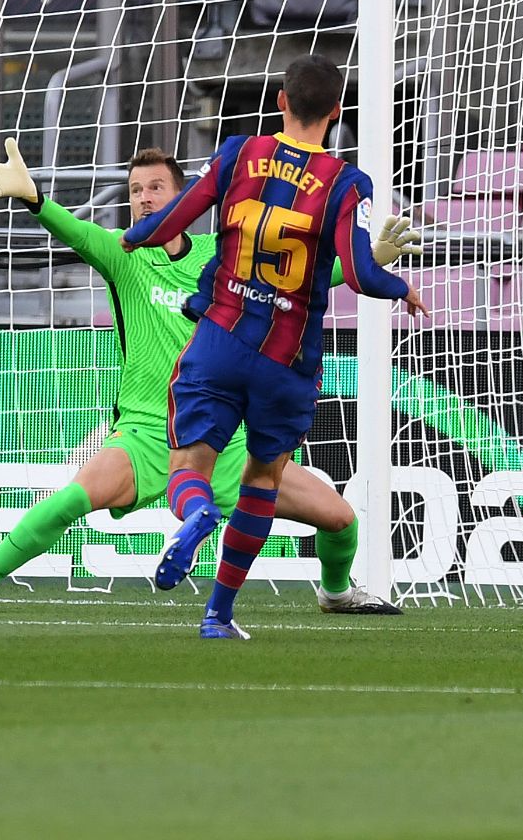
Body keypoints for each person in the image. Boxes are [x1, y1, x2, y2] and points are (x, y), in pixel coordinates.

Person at [0, 144, 414, 615]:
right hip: (146, 434)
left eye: (157, 187)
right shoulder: (125, 252)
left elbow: (294, 275)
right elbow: (77, 232)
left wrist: (365, 262)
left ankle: (336, 595)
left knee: (340, 520)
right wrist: (35, 199)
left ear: (184, 197)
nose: (143, 196)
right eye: (136, 188)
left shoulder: (222, 255)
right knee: (70, 500)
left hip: (225, 441)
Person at [121, 55, 426, 640]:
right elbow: (360, 275)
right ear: (337, 113)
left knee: (189, 464)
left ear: (280, 102)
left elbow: (169, 222)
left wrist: (133, 237)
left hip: (218, 338)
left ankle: (196, 513)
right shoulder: (346, 183)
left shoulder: (239, 153)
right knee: (263, 480)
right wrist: (401, 286)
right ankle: (219, 614)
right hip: (286, 362)